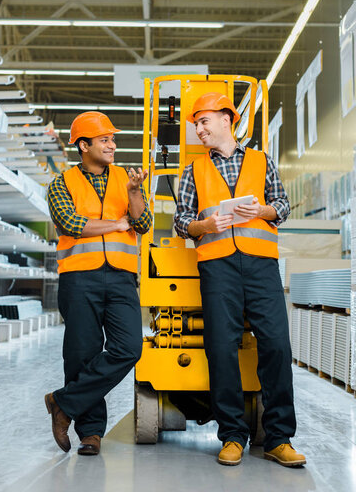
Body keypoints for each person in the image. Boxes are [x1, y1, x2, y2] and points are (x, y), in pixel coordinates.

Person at [174, 91, 306, 468]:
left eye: (204, 121)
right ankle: (232, 435)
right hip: (217, 268)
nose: (198, 129)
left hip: (262, 266)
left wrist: (261, 209)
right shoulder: (193, 171)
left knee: (277, 345)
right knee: (220, 348)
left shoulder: (262, 161)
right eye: (195, 124)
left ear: (226, 120)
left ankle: (278, 439)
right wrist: (205, 224)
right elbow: (181, 221)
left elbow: (281, 206)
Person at [45, 111, 151, 456]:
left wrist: (135, 195)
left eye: (113, 139)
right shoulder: (62, 183)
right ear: (83, 145)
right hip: (79, 277)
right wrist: (117, 225)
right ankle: (91, 433)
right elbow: (70, 223)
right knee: (82, 354)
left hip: (121, 277)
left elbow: (144, 222)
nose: (112, 145)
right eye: (105, 139)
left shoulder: (126, 178)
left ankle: (62, 403)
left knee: (129, 348)